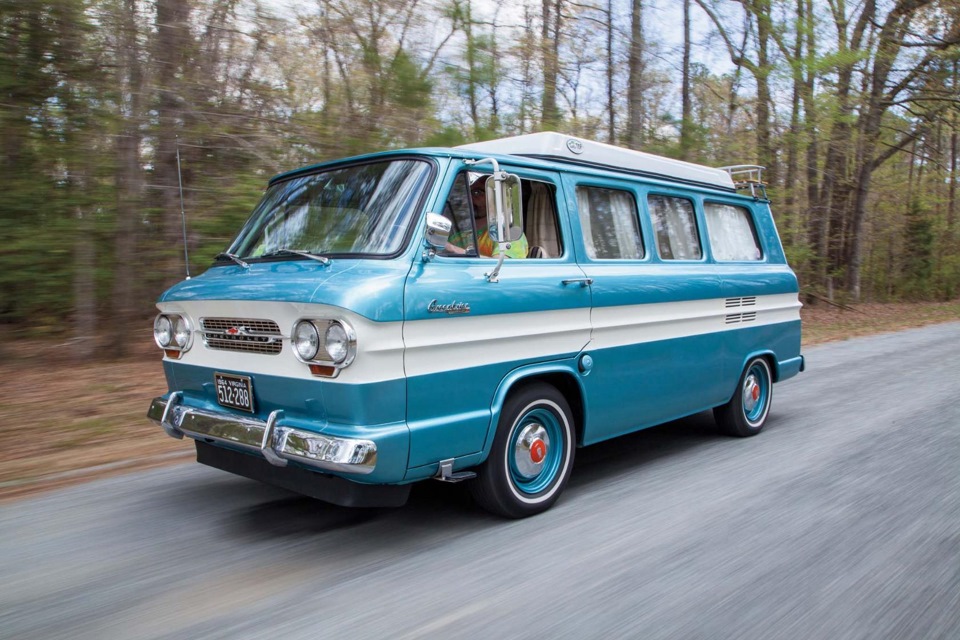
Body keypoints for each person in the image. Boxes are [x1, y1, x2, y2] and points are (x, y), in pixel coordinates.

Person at [447, 175, 528, 258]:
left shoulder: (509, 233)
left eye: (477, 192)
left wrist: (454, 249)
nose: (469, 198)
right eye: (468, 193)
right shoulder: (457, 237)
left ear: (497, 199)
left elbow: (502, 266)